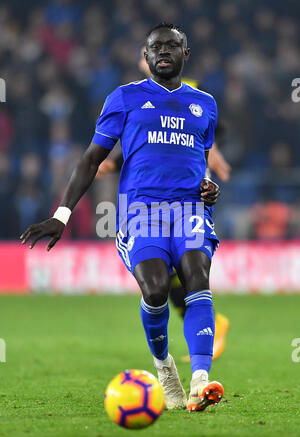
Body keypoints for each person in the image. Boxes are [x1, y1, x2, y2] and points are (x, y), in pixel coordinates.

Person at [21, 23, 224, 412]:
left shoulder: (206, 104)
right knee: (156, 290)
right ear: (145, 58)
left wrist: (210, 187)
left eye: (172, 45)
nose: (163, 51)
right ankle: (164, 366)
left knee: (197, 274)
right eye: (155, 47)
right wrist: (61, 216)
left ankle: (200, 379)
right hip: (140, 212)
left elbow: (200, 162)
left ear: (186, 53)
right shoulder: (125, 98)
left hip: (189, 210)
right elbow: (90, 159)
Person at [97, 46, 230, 362]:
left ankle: (207, 330)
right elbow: (147, 135)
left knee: (179, 271)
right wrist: (113, 163)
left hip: (187, 191)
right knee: (165, 277)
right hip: (158, 197)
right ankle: (196, 329)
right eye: (148, 54)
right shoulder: (139, 96)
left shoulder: (193, 91)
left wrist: (214, 154)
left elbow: (197, 130)